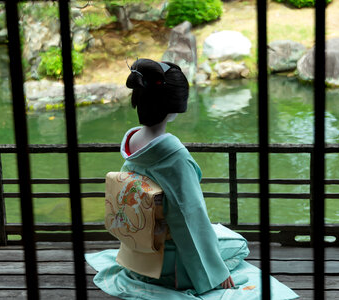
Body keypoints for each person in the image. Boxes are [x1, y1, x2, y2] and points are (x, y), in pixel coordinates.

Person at [85, 58, 298, 300]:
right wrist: (214, 273)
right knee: (238, 243)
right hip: (169, 267)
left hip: (138, 256)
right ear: (175, 105)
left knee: (216, 232)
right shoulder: (174, 157)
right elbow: (189, 218)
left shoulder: (133, 143)